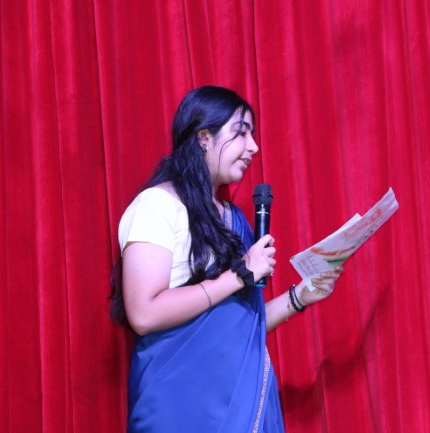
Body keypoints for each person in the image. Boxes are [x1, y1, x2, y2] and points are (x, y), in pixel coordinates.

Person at [109, 85, 344, 433]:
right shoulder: (157, 205)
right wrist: (238, 275)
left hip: (238, 403)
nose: (254, 147)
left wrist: (300, 296)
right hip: (179, 405)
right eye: (241, 132)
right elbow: (144, 313)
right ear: (204, 138)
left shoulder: (235, 219)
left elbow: (240, 326)